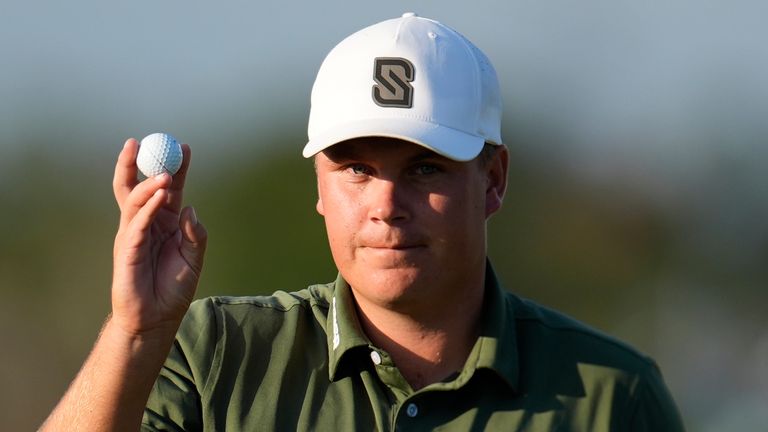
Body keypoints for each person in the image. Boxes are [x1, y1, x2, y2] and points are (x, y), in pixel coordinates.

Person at [42, 12, 685, 431]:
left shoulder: (612, 396)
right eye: (355, 168)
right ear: (318, 186)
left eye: (426, 169)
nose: (385, 204)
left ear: (493, 180)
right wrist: (135, 330)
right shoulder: (212, 352)